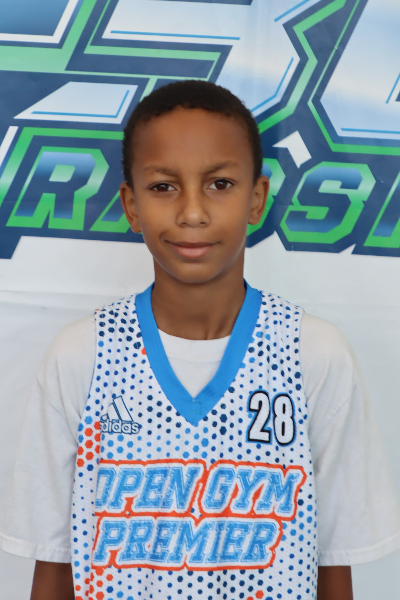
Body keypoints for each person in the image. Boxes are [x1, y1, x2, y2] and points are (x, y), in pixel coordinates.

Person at [1, 81, 399, 600]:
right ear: (131, 204)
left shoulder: (313, 355)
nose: (192, 212)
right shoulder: (83, 356)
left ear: (257, 198)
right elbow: (53, 566)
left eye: (220, 184)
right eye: (164, 187)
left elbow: (333, 565)